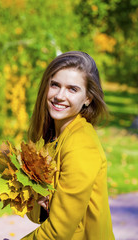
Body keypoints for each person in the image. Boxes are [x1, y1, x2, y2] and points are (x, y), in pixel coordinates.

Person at [21, 51, 115, 240]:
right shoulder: (52, 139)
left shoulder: (81, 145)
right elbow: (34, 214)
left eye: (72, 89)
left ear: (88, 98)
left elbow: (58, 232)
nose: (60, 96)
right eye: (55, 85)